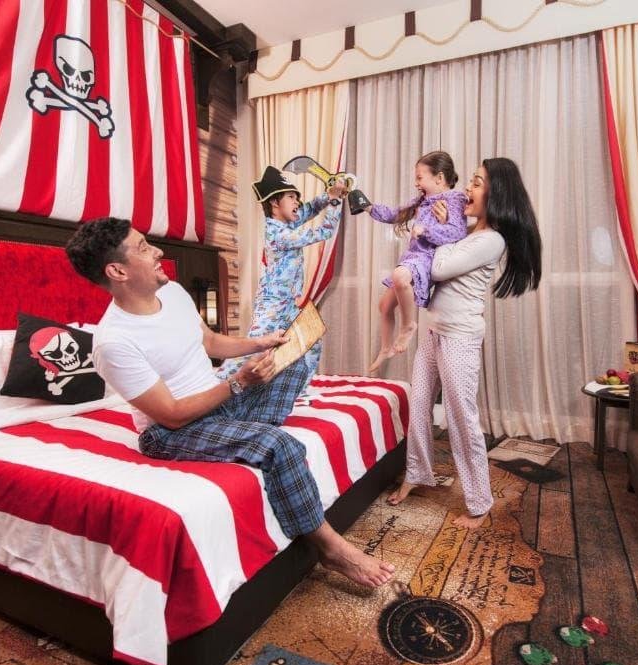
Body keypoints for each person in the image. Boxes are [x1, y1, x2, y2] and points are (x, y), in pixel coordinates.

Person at [65, 217, 394, 587]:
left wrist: (263, 343)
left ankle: (243, 435)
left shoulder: (172, 293)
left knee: (298, 356)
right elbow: (171, 415)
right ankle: (331, 549)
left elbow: (209, 342)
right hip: (172, 432)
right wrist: (239, 383)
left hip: (218, 403)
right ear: (117, 271)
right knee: (280, 445)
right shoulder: (114, 342)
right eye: (143, 247)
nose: (158, 251)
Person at [386, 158, 542, 529]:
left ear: (495, 193)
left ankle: (479, 501)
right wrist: (440, 229)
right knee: (418, 404)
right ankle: (418, 473)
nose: (467, 189)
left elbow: (437, 267)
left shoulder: (491, 239)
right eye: (470, 181)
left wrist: (438, 231)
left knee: (461, 417)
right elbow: (427, 252)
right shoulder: (469, 231)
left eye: (476, 182)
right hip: (433, 329)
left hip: (459, 336)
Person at [218, 166, 346, 389]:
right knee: (251, 349)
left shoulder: (287, 224)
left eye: (297, 197)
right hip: (272, 305)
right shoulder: (279, 234)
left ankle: (296, 391)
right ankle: (216, 385)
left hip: (288, 304)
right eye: (291, 197)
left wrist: (328, 195)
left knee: (311, 341)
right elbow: (325, 231)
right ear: (275, 203)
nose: (297, 202)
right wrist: (334, 201)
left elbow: (310, 209)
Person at [366, 151, 468, 375]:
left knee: (400, 277)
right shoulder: (422, 200)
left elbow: (458, 232)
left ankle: (408, 325)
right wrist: (367, 206)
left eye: (420, 177)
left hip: (427, 257)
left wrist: (426, 230)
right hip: (412, 257)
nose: (416, 183)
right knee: (384, 306)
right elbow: (396, 214)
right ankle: (385, 348)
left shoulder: (455, 199)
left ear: (439, 178)